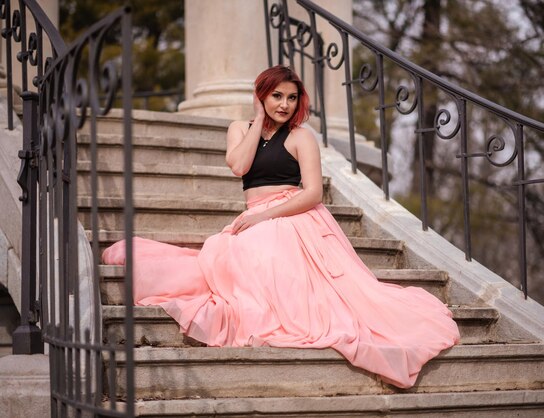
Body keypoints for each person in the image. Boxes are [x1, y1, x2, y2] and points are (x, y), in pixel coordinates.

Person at [103, 65, 460, 389]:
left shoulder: (302, 136)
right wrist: (258, 120)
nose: (284, 105)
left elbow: (314, 192)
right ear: (261, 95)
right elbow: (238, 166)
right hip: (255, 215)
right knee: (225, 257)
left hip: (294, 216)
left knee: (271, 259)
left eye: (291, 98)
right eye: (276, 96)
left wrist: (266, 216)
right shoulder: (239, 129)